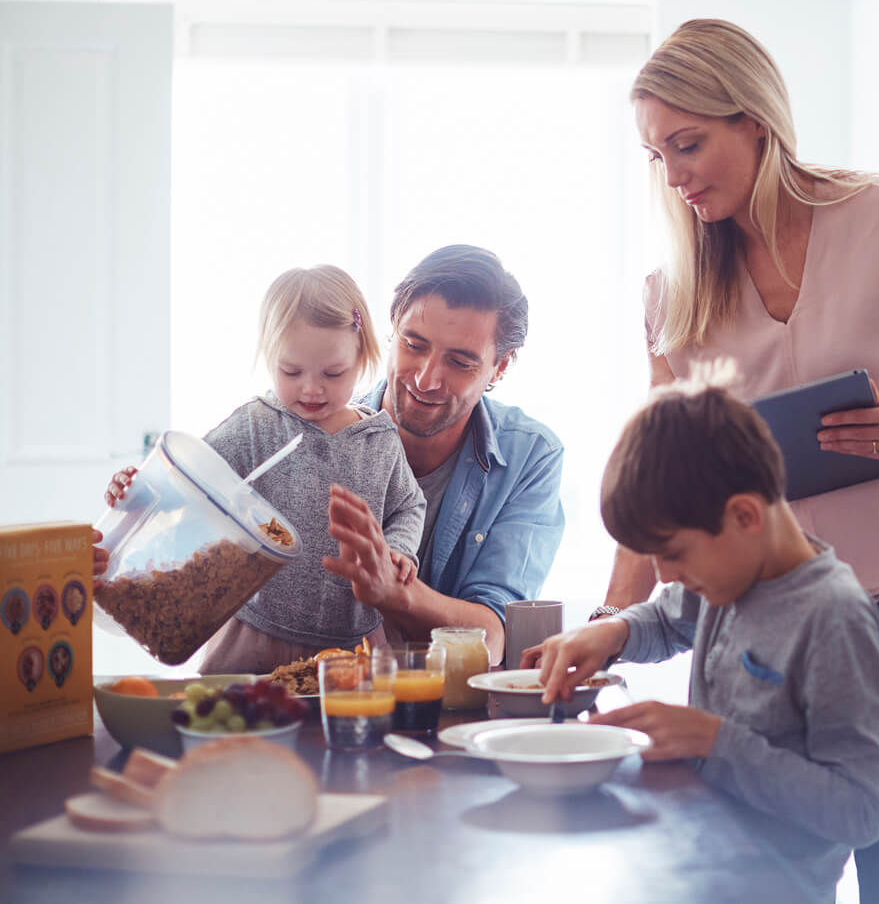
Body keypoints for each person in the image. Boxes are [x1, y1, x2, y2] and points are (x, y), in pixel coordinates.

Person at [596, 19, 879, 904]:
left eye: (690, 144)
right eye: (657, 156)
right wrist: (612, 618)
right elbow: (660, 472)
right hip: (773, 625)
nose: (675, 174)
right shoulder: (671, 295)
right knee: (752, 876)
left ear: (755, 120)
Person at [530, 379, 879, 900]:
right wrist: (611, 632)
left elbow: (861, 810)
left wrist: (712, 740)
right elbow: (667, 620)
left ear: (744, 515)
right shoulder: (732, 573)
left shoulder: (833, 616)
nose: (664, 574)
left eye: (673, 553)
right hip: (701, 862)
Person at [103, 265, 426, 673]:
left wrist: (397, 549)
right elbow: (187, 485)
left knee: (349, 731)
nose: (311, 388)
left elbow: (409, 506)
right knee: (235, 724)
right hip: (255, 634)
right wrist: (136, 491)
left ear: (362, 358)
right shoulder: (255, 426)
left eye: (333, 373)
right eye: (291, 372)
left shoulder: (379, 440)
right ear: (270, 358)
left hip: (353, 642)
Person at [324, 245, 566, 666]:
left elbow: (492, 636)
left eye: (460, 362)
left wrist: (398, 592)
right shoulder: (314, 425)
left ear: (500, 367)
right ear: (392, 330)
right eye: (414, 344)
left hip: (451, 713)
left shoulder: (530, 456)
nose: (425, 378)